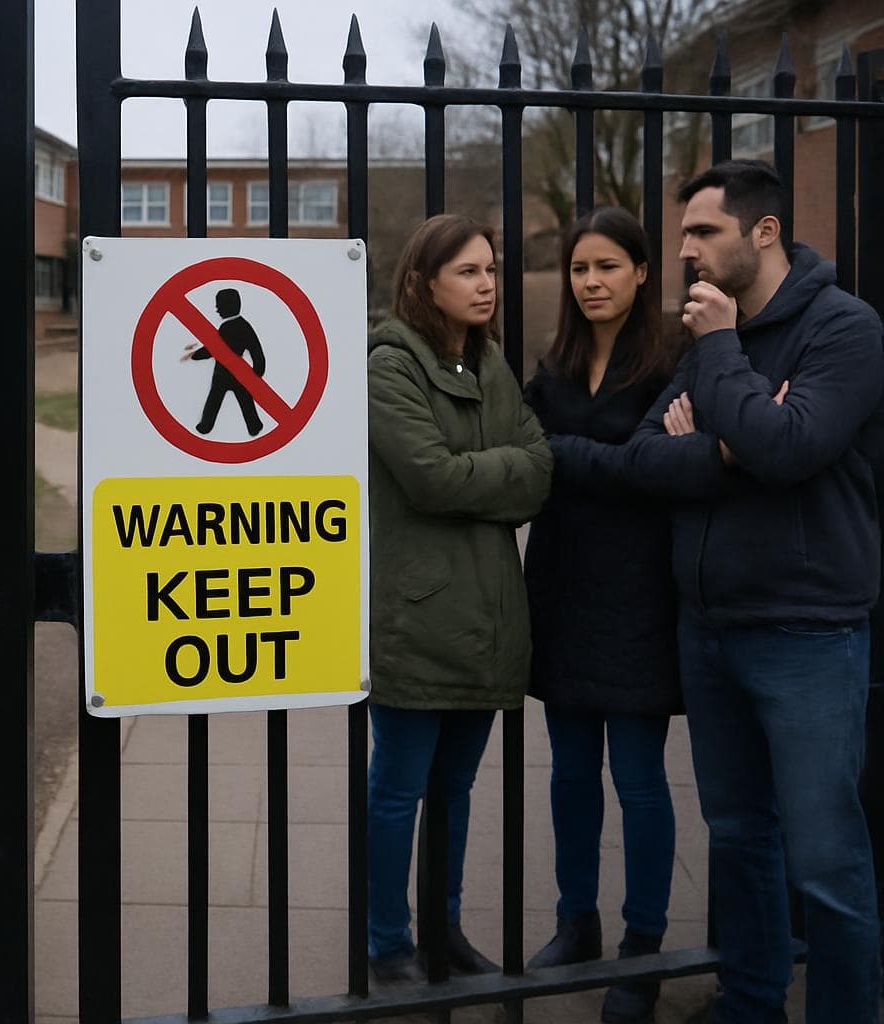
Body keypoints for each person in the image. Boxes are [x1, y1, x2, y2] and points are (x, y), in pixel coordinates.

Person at [560, 160, 884, 1022]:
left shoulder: (843, 329)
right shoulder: (718, 335)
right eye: (684, 239)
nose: (688, 255)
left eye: (703, 234)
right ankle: (750, 1003)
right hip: (709, 628)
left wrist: (719, 364)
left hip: (808, 634)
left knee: (826, 859)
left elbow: (791, 447)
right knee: (739, 839)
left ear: (763, 231)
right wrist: (731, 443)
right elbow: (640, 456)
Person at [364, 214, 553, 983]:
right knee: (398, 790)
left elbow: (541, 469)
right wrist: (497, 470)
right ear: (423, 284)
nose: (486, 285)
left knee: (456, 788)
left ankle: (443, 930)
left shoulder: (490, 361)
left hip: (488, 618)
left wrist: (483, 470)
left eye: (491, 269)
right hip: (417, 615)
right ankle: (386, 941)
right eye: (468, 272)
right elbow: (430, 477)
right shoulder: (388, 364)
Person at [521, 207, 680, 1024]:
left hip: (641, 596)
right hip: (562, 586)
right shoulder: (551, 367)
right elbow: (526, 453)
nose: (591, 282)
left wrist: (568, 457)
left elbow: (666, 470)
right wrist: (615, 463)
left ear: (643, 273)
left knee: (642, 781)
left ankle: (642, 948)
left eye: (608, 266)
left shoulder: (672, 365)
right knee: (570, 773)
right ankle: (573, 921)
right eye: (581, 268)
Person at [181, 287, 265, 436]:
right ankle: (254, 425)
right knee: (244, 399)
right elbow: (255, 348)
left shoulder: (226, 328)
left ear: (227, 306)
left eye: (219, 306)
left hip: (222, 373)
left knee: (214, 400)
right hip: (239, 373)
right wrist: (258, 368)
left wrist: (194, 355)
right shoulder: (245, 325)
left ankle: (206, 425)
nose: (217, 310)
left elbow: (213, 349)